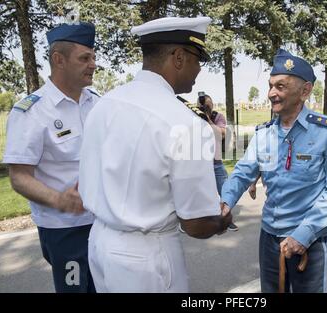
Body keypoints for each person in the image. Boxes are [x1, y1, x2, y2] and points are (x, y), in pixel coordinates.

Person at [78, 16, 232, 293]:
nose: (199, 71)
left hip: (99, 242)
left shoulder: (104, 103)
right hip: (146, 256)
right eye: (199, 60)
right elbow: (197, 223)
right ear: (179, 57)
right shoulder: (185, 124)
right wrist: (222, 220)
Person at [220, 49, 327, 293]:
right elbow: (242, 172)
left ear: (305, 90)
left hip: (310, 239)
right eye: (270, 86)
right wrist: (225, 201)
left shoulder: (326, 132)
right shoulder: (263, 133)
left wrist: (303, 234)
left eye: (280, 86)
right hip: (269, 237)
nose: (271, 94)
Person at [2, 22, 98, 293]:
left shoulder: (99, 104)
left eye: (93, 57)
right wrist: (59, 200)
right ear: (59, 60)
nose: (93, 64)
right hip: (64, 230)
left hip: (104, 222)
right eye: (84, 58)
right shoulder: (31, 112)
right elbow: (19, 177)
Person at [197, 93, 238, 231]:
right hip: (200, 163)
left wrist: (208, 119)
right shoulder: (193, 117)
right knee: (198, 193)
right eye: (201, 105)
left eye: (207, 105)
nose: (204, 108)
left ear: (212, 105)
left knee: (224, 191)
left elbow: (220, 133)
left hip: (216, 162)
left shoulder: (217, 117)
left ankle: (226, 219)